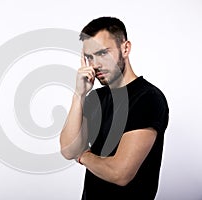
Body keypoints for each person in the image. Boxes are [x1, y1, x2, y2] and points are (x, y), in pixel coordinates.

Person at [59, 16, 169, 199]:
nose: (95, 65)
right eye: (89, 57)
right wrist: (79, 95)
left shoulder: (147, 98)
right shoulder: (95, 98)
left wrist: (83, 157)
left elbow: (120, 174)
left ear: (125, 48)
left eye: (103, 53)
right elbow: (68, 149)